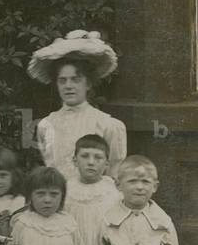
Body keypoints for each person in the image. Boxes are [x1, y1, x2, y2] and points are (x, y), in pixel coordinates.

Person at [28, 29, 126, 178]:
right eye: (62, 80)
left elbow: (114, 174)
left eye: (76, 79)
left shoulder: (108, 125)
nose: (68, 86)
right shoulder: (46, 125)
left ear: (88, 84)